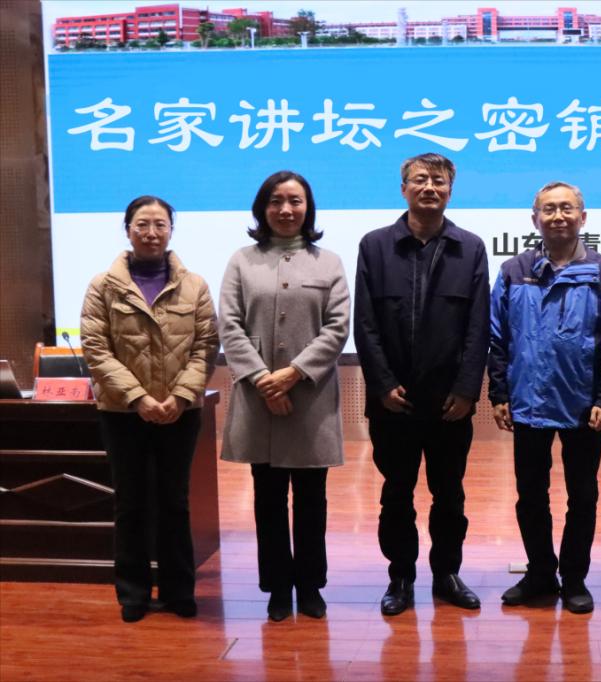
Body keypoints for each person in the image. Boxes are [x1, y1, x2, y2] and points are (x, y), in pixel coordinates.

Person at [354, 153, 489, 616]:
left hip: (450, 402)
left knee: (449, 493)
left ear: (450, 190)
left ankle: (447, 573)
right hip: (394, 401)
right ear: (404, 188)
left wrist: (468, 389)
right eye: (420, 179)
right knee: (396, 493)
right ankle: (401, 577)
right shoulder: (375, 246)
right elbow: (365, 323)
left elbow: (478, 325)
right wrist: (382, 385)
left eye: (439, 181)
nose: (429, 187)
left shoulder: (470, 248)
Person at [489, 181, 601, 614]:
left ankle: (574, 578)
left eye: (566, 208)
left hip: (583, 405)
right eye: (548, 209)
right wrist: (499, 392)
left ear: (582, 217)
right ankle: (539, 573)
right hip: (527, 402)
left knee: (582, 496)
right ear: (534, 219)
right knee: (530, 495)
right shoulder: (514, 270)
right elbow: (497, 335)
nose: (558, 216)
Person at [219, 171, 350, 622]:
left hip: (310, 399)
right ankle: (277, 587)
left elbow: (337, 328)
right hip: (259, 401)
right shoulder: (242, 261)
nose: (286, 209)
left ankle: (310, 586)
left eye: (295, 201)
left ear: (308, 208)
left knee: (312, 501)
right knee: (268, 500)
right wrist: (262, 379)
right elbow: (229, 325)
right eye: (276, 201)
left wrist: (292, 374)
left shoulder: (328, 262)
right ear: (263, 208)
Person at [80, 195, 218, 623]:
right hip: (122, 413)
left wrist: (180, 396)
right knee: (131, 502)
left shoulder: (194, 285)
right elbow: (96, 348)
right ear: (128, 230)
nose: (152, 233)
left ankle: (179, 591)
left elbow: (206, 345)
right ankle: (133, 593)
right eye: (142, 224)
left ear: (171, 230)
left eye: (160, 224)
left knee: (175, 501)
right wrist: (138, 397)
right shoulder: (103, 286)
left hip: (181, 412)